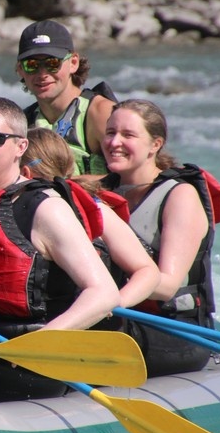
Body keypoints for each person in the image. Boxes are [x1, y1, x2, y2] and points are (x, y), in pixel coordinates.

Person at [0, 97, 120, 401]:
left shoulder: (45, 208)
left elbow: (104, 293)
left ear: (21, 146)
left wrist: (44, 340)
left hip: (30, 360)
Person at [99, 98, 220, 375]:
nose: (114, 142)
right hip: (121, 316)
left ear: (155, 144)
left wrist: (102, 299)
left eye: (128, 135)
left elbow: (168, 284)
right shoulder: (99, 191)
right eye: (110, 132)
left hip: (177, 329)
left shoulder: (180, 196)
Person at [0, 19, 116, 194]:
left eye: (52, 63)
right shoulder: (23, 123)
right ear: (20, 69)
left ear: (73, 62)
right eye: (32, 65)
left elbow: (131, 175)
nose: (42, 74)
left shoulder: (100, 113)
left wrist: (61, 184)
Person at [20, 127, 160, 311]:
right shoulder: (4, 207)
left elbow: (147, 271)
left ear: (25, 173)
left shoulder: (95, 208)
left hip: (90, 319)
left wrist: (113, 305)